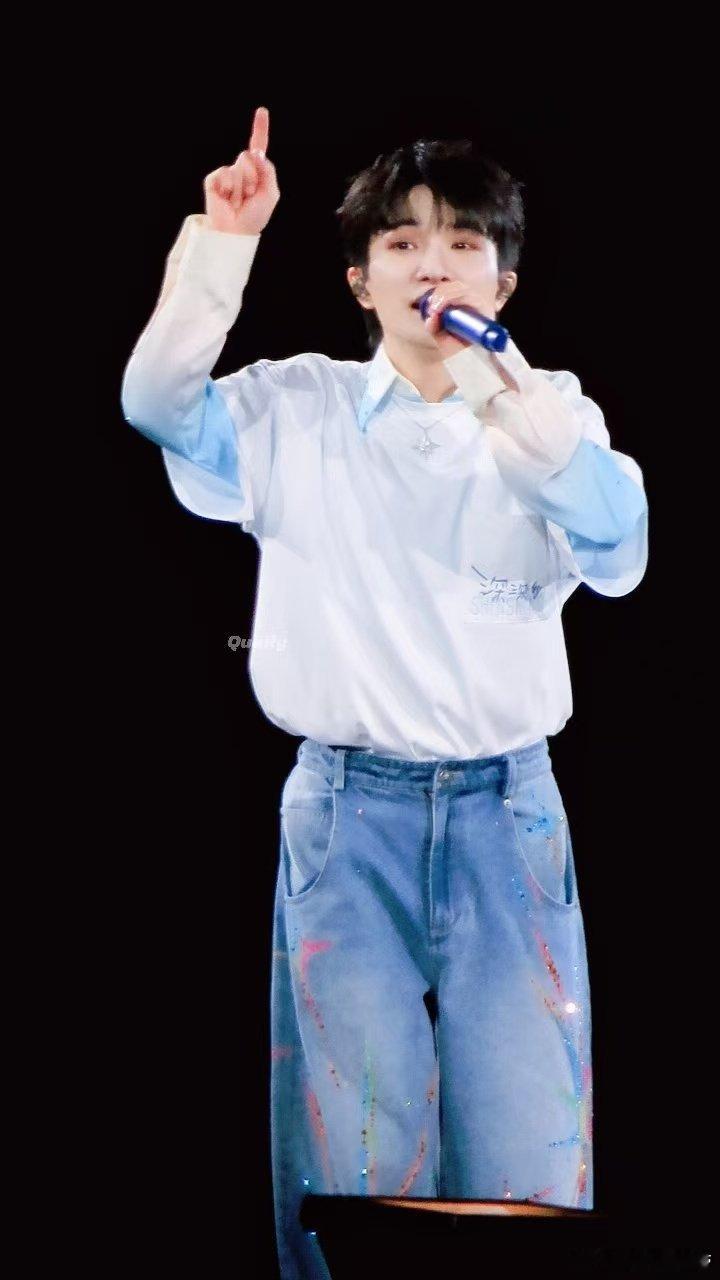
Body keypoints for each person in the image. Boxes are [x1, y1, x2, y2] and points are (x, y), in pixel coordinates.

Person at [120, 105, 648, 1280]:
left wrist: (530, 423)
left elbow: (622, 551)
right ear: (361, 281)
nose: (432, 263)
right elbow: (157, 405)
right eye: (402, 241)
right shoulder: (293, 407)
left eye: (462, 240)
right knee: (356, 1143)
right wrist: (221, 247)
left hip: (507, 811)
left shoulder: (553, 411)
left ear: (503, 281)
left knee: (529, 1137)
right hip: (346, 809)